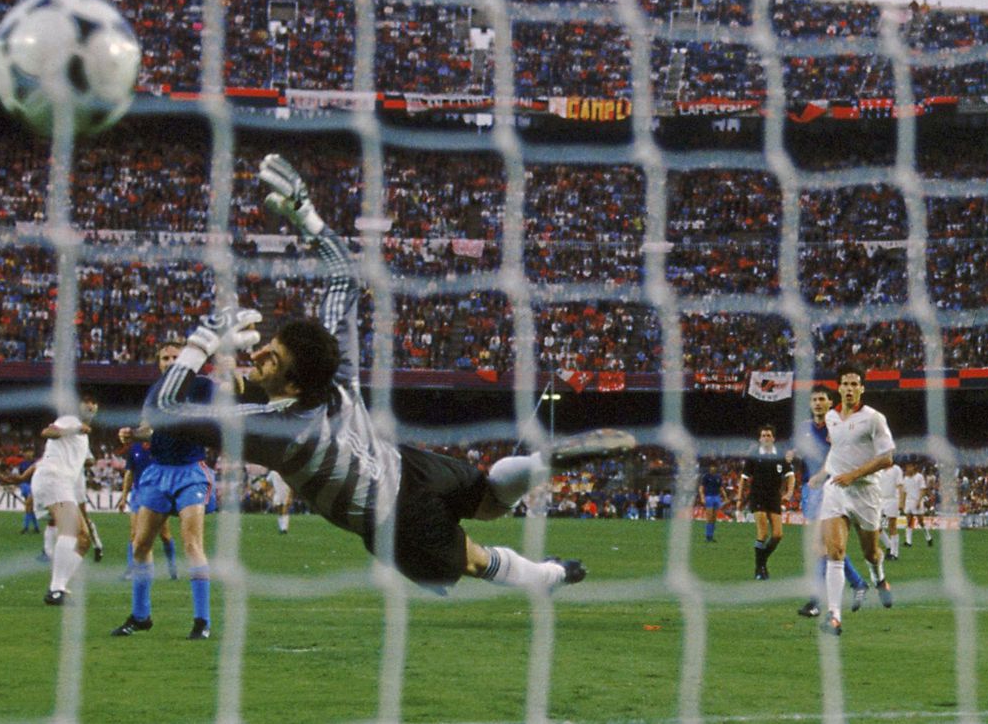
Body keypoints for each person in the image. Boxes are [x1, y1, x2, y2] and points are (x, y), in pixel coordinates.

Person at [134, 154, 632, 601]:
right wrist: (307, 217)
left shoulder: (275, 431)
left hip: (392, 519)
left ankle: (547, 570)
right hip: (409, 466)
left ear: (291, 385)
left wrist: (201, 342)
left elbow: (164, 410)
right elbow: (342, 278)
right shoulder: (336, 377)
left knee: (476, 558)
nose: (260, 351)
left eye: (270, 357)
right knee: (487, 500)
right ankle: (539, 467)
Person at [112, 340, 219, 641]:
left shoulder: (200, 386)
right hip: (158, 472)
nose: (170, 361)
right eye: (164, 357)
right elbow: (149, 429)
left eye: (176, 356)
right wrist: (133, 434)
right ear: (157, 362)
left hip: (190, 471)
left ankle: (202, 621)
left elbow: (206, 420)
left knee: (191, 545)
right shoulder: (155, 392)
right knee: (141, 544)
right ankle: (140, 616)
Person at [810, 364, 896, 636]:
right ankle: (834, 616)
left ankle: (878, 577)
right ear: (839, 388)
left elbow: (887, 457)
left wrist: (854, 474)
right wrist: (825, 473)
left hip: (866, 492)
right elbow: (837, 449)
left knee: (871, 552)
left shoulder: (874, 419)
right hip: (836, 490)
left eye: (854, 384)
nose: (849, 388)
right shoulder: (832, 417)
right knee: (835, 551)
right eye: (844, 384)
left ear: (862, 388)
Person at [794, 388, 868, 619]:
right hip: (810, 489)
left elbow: (838, 454)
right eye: (814, 399)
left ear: (829, 403)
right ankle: (858, 584)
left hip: (830, 488)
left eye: (821, 399)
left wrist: (821, 474)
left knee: (821, 547)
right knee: (827, 546)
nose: (817, 403)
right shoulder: (804, 428)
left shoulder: (836, 425)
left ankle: (816, 602)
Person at [30, 395, 99, 605]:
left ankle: (58, 587)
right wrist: (75, 429)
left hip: (62, 483)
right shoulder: (69, 420)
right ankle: (56, 589)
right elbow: (48, 432)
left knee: (84, 539)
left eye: (93, 405)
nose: (89, 407)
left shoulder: (84, 435)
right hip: (53, 479)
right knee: (71, 531)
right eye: (85, 404)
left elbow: (86, 459)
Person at [116, 434, 179, 581]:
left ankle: (172, 567)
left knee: (164, 534)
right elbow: (130, 472)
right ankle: (132, 568)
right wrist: (124, 497)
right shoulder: (134, 448)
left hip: (158, 492)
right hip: (138, 493)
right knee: (134, 534)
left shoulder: (161, 445)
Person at [735, 424, 794, 580]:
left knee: (778, 535)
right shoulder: (754, 456)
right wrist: (740, 499)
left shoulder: (780, 455)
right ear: (760, 439)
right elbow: (744, 479)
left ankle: (762, 561)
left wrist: (789, 492)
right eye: (764, 435)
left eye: (769, 435)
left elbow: (791, 475)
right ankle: (759, 568)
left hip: (774, 497)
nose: (766, 438)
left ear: (773, 438)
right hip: (758, 496)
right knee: (763, 532)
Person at [900, 463, 934, 548]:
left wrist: (919, 501)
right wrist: (902, 503)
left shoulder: (919, 477)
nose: (907, 469)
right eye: (907, 467)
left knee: (920, 521)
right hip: (908, 502)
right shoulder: (905, 478)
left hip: (916, 501)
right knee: (909, 521)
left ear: (914, 467)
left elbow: (923, 490)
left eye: (909, 467)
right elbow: (904, 492)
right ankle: (908, 542)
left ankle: (928, 538)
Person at [877, 460, 904, 560]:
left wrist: (901, 502)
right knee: (876, 526)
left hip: (892, 499)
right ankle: (889, 545)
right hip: (880, 500)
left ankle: (894, 553)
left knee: (892, 525)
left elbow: (900, 486)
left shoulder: (896, 469)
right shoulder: (879, 470)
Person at [698, 461, 725, 542]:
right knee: (709, 517)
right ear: (710, 468)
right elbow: (701, 488)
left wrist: (725, 496)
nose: (713, 468)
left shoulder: (718, 477)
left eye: (714, 467)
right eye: (712, 466)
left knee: (713, 518)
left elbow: (721, 487)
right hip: (709, 497)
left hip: (716, 497)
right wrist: (702, 497)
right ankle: (708, 536)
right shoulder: (706, 476)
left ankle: (711, 536)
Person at [16, 448, 40, 535]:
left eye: (30, 452)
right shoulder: (22, 464)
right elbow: (21, 476)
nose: (28, 454)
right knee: (30, 506)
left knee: (29, 506)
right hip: (25, 485)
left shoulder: (36, 463)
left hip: (33, 485)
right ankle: (33, 527)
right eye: (27, 452)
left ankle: (28, 527)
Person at [265, 469, 292, 535]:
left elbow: (291, 484)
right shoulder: (273, 473)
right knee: (279, 510)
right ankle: (281, 528)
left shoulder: (286, 471)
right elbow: (267, 481)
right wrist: (269, 491)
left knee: (285, 510)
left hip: (286, 491)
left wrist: (290, 496)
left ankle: (284, 529)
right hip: (277, 492)